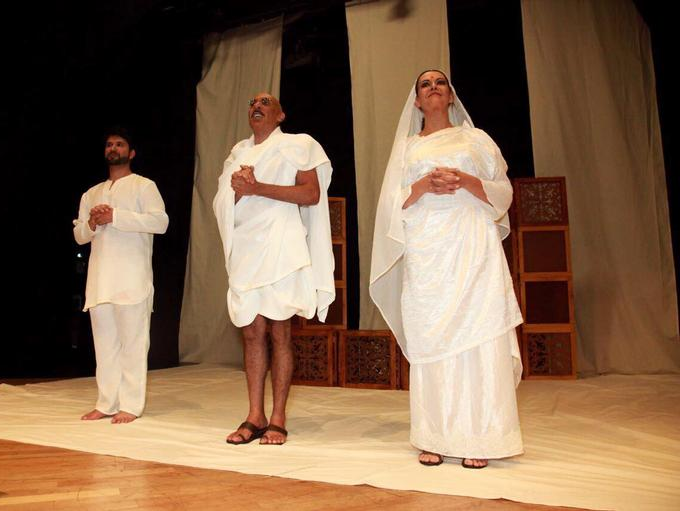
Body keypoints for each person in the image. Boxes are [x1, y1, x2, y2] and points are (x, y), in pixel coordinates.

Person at [370, 70, 524, 468]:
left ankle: (482, 437)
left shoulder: (477, 140)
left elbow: (503, 191)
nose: (433, 87)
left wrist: (467, 179)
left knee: (479, 333)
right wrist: (423, 185)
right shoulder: (406, 148)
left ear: (451, 96)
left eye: (440, 82)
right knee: (432, 337)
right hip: (428, 251)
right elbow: (390, 204)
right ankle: (433, 434)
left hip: (472, 246)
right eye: (424, 84)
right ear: (417, 101)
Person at [213, 93, 335, 445]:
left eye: (266, 101)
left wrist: (257, 188)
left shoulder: (298, 145)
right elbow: (222, 202)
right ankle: (255, 414)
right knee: (251, 333)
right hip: (246, 249)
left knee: (280, 332)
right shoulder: (238, 153)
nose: (257, 104)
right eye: (252, 101)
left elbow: (310, 193)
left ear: (280, 114)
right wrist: (237, 191)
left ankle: (278, 417)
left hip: (282, 246)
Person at [73, 127, 169, 424]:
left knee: (133, 345)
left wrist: (115, 216)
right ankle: (106, 402)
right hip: (100, 282)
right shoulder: (91, 193)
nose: (113, 148)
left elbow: (161, 222)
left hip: (132, 279)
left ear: (132, 152)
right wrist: (92, 220)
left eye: (120, 144)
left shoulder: (144, 186)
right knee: (105, 348)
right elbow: (79, 236)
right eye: (109, 145)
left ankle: (131, 405)